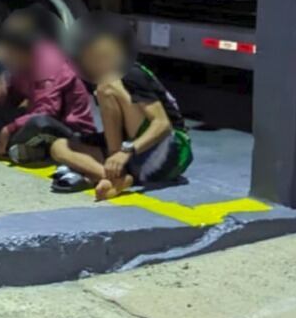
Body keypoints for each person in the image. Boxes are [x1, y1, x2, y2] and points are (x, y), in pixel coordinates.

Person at [42, 14, 192, 199]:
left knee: (107, 85)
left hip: (169, 152)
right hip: (134, 157)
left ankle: (109, 171)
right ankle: (114, 176)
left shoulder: (131, 73)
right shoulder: (93, 75)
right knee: (59, 146)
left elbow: (162, 124)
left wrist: (124, 152)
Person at [0, 9, 95, 169]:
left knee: (37, 123)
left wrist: (8, 129)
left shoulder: (49, 65)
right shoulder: (21, 62)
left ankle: (3, 144)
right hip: (32, 116)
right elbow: (15, 98)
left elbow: (46, 111)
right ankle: (15, 147)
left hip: (68, 128)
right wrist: (1, 95)